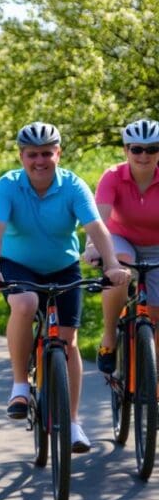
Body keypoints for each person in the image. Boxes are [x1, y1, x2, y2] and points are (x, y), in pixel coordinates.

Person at [0, 121, 129, 454]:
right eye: (32, 154)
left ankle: (73, 422)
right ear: (21, 156)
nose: (40, 161)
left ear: (58, 153)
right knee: (25, 304)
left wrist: (114, 264)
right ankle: (20, 384)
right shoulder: (7, 186)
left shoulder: (73, 186)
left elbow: (97, 228)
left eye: (47, 153)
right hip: (17, 266)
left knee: (68, 340)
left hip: (63, 267)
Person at [83, 118, 159, 373]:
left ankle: (152, 378)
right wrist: (93, 246)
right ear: (126, 150)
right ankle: (109, 338)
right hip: (119, 238)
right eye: (137, 149)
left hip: (156, 246)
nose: (144, 155)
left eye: (152, 149)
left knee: (156, 311)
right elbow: (98, 218)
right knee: (120, 269)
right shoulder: (113, 176)